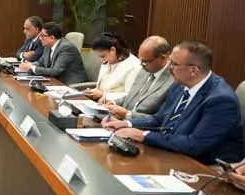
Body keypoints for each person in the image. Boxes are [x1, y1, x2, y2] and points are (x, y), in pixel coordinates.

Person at [104, 41, 243, 165]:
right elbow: (160, 119)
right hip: (172, 151)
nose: (168, 67)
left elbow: (195, 145)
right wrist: (128, 123)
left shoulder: (221, 100)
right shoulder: (180, 85)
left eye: (174, 64)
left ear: (194, 70)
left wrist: (144, 135)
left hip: (204, 166)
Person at [102, 36, 174, 120]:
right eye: (140, 60)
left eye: (145, 61)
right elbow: (131, 97)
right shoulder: (145, 69)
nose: (141, 64)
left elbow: (160, 119)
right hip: (120, 120)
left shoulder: (173, 81)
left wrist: (127, 114)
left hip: (140, 125)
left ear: (162, 58)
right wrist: (113, 102)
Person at [18, 22, 87, 85]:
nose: (40, 39)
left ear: (52, 38)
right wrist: (29, 65)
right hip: (55, 81)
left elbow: (55, 71)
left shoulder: (66, 48)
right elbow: (41, 62)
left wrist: (32, 67)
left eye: (42, 36)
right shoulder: (48, 46)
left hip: (70, 84)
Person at [85, 33, 141, 102]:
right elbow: (102, 87)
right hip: (100, 102)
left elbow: (130, 96)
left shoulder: (133, 66)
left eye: (103, 56)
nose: (102, 60)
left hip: (117, 105)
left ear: (113, 50)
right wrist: (93, 92)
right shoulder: (108, 61)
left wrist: (103, 95)